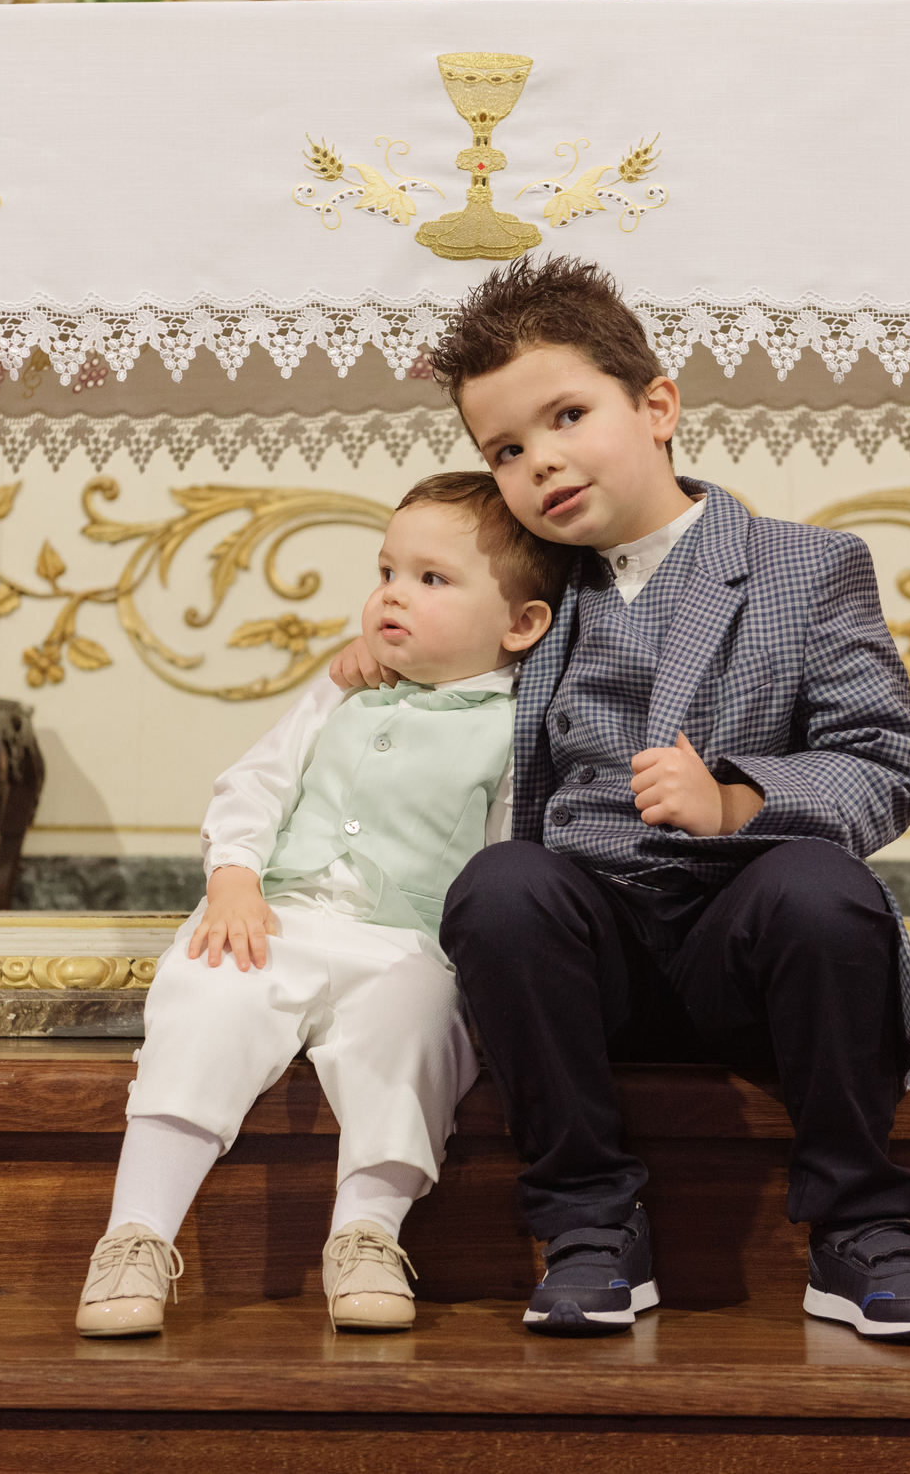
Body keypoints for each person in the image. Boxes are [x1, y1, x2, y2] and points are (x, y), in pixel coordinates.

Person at [398, 253, 910, 1342]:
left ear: (657, 405)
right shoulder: (531, 588)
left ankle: (862, 1231)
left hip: (746, 943)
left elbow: (890, 760)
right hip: (592, 953)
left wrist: (741, 801)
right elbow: (430, 631)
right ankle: (590, 1226)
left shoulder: (806, 566)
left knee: (819, 888)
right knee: (503, 885)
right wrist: (376, 647)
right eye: (507, 450)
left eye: (567, 415)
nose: (542, 463)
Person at [75, 471, 571, 1339]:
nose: (393, 596)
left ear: (522, 624)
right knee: (205, 993)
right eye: (387, 571)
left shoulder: (517, 725)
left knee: (415, 1030)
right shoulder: (341, 689)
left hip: (407, 940)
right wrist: (233, 876)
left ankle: (369, 1233)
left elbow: (505, 854)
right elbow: (259, 783)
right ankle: (135, 1234)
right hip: (280, 914)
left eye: (432, 580)